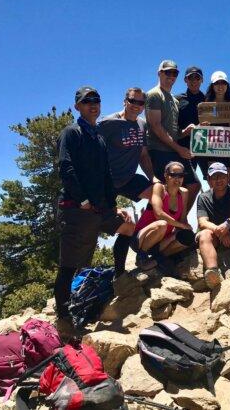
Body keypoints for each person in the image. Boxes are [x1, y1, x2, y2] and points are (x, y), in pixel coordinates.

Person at [55, 86, 135, 335]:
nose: (93, 105)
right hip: (77, 211)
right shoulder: (71, 133)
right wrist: (83, 200)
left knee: (129, 226)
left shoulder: (97, 136)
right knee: (68, 265)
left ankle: (119, 276)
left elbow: (106, 175)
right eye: (87, 101)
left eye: (96, 101)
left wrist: (113, 205)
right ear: (77, 106)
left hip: (100, 210)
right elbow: (66, 168)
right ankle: (63, 315)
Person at [146, 60, 200, 212]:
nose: (171, 76)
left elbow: (173, 131)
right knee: (162, 191)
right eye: (167, 72)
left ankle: (177, 222)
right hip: (159, 151)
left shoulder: (174, 100)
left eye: (174, 73)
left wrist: (185, 132)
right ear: (159, 73)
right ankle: (152, 226)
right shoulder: (154, 95)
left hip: (173, 151)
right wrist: (179, 148)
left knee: (194, 185)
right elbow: (156, 126)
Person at [132, 162, 196, 271]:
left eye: (180, 175)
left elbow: (183, 219)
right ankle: (141, 257)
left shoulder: (184, 193)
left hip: (161, 242)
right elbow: (159, 214)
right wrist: (181, 225)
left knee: (188, 237)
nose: (177, 179)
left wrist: (186, 230)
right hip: (141, 240)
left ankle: (157, 260)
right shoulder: (159, 188)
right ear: (166, 175)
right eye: (173, 175)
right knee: (162, 224)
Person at [203, 71, 230, 182]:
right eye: (217, 83)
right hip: (212, 149)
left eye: (223, 83)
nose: (220, 86)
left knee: (228, 184)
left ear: (227, 86)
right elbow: (201, 128)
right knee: (214, 183)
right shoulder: (205, 105)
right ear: (212, 86)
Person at [175, 66, 207, 177]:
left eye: (197, 78)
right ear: (185, 80)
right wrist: (184, 132)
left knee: (213, 178)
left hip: (205, 146)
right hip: (184, 148)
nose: (194, 81)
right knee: (184, 181)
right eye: (190, 78)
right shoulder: (177, 100)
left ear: (202, 80)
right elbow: (171, 126)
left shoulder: (208, 100)